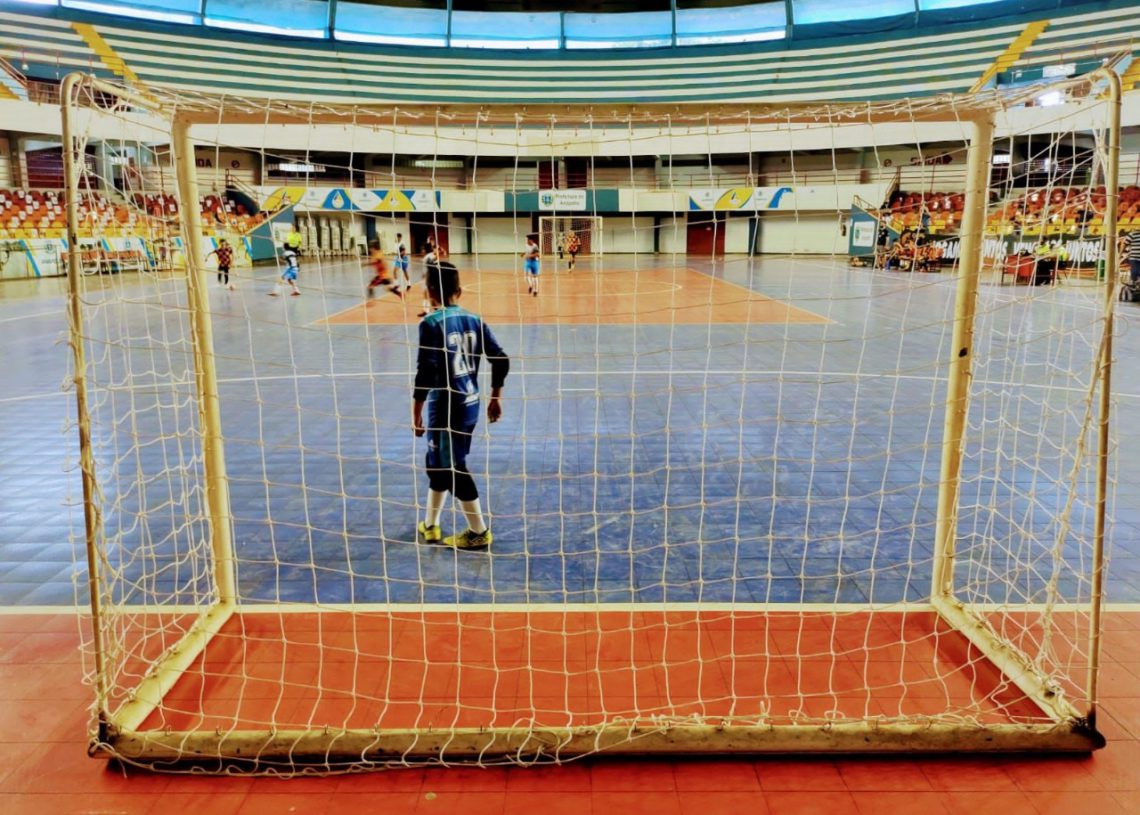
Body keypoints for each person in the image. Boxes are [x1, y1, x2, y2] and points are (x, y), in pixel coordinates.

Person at [413, 260, 509, 551]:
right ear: (459, 290)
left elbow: (426, 373)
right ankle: (430, 525)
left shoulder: (430, 324)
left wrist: (415, 413)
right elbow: (501, 358)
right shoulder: (475, 320)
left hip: (445, 408)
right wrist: (496, 397)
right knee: (438, 465)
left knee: (452, 468)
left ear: (429, 290)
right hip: (471, 404)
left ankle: (478, 531)